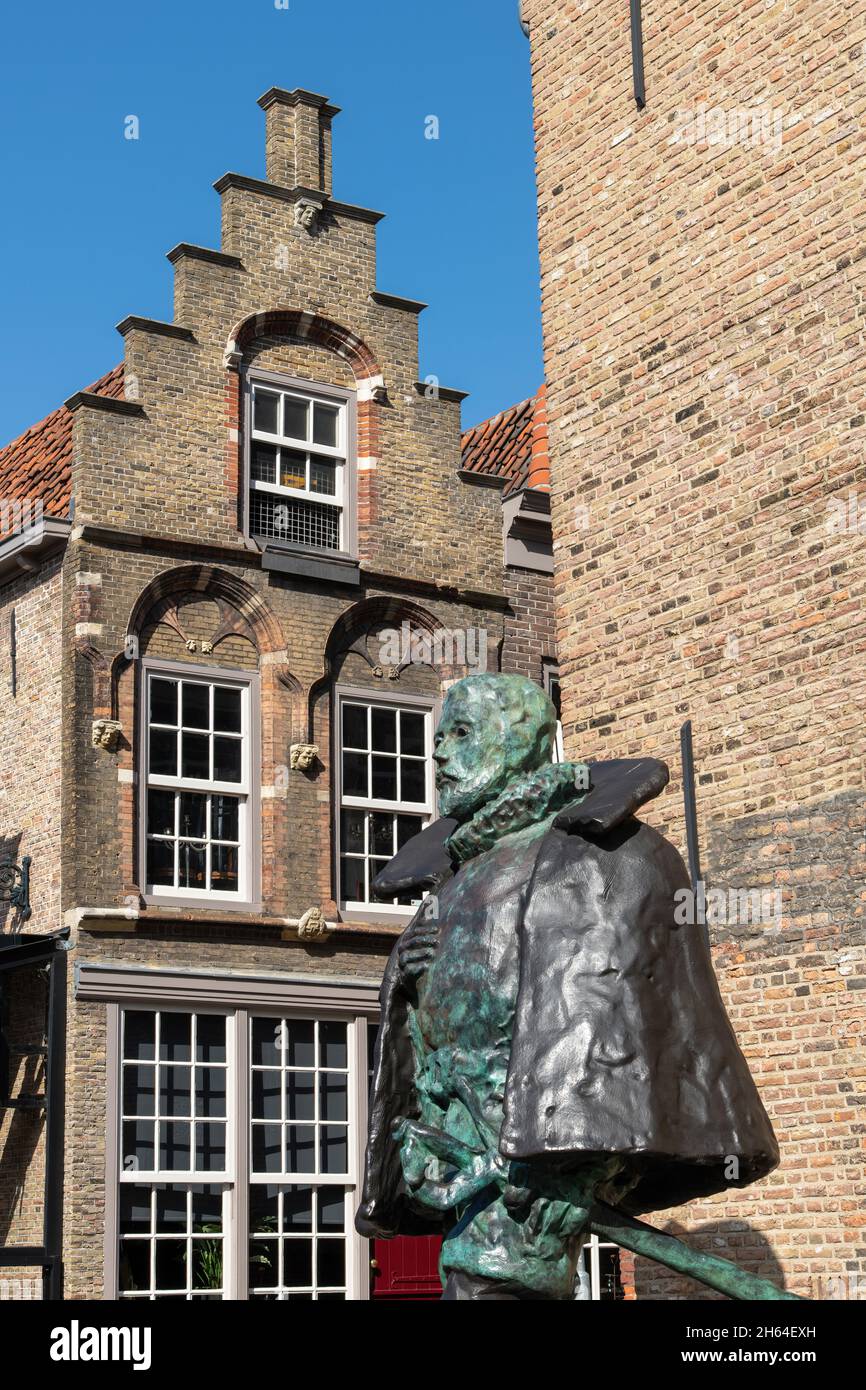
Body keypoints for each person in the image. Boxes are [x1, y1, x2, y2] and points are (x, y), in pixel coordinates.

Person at [356, 674, 779, 1301]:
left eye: (462, 733)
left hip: (534, 1171)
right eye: (439, 737)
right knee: (470, 1277)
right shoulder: (456, 874)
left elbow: (618, 1030)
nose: (438, 752)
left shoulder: (602, 853)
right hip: (461, 1151)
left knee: (493, 1281)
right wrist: (408, 967)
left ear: (521, 743)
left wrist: (579, 1162)